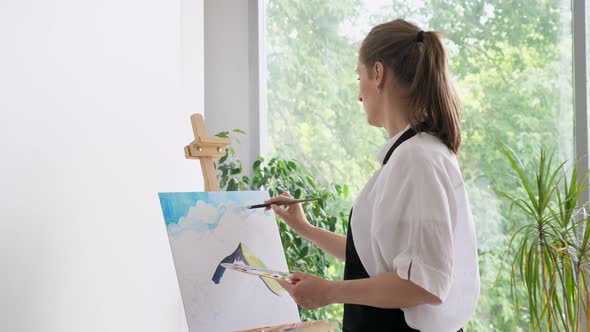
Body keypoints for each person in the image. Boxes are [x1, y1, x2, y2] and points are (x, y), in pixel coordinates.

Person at [265, 18, 480, 332]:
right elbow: (375, 259)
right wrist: (304, 228)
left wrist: (328, 292)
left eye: (359, 77)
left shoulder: (418, 158)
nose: (359, 95)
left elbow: (425, 286)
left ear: (378, 73)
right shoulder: (412, 154)